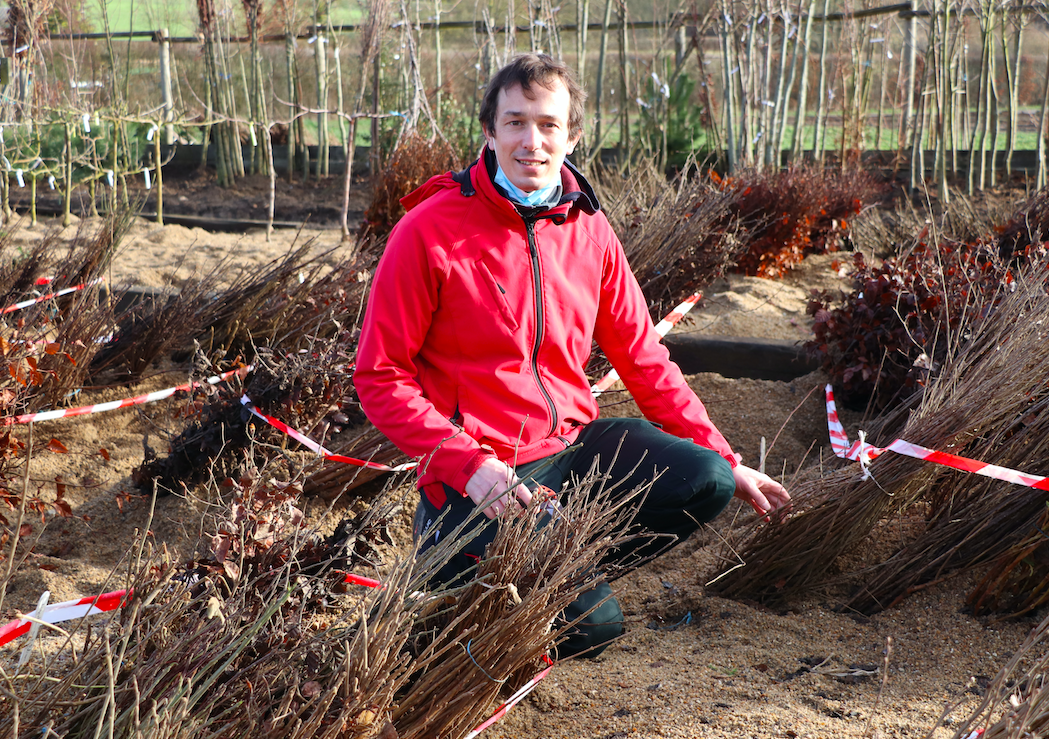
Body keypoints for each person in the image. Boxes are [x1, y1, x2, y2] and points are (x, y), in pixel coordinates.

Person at [354, 53, 790, 658]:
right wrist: (467, 464)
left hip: (572, 447)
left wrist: (729, 457)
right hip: (481, 470)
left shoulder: (589, 231)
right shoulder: (429, 231)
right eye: (514, 123)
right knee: (594, 632)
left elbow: (642, 356)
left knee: (705, 480)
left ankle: (553, 570)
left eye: (548, 124)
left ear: (572, 135)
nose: (531, 141)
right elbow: (380, 377)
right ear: (489, 131)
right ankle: (475, 578)